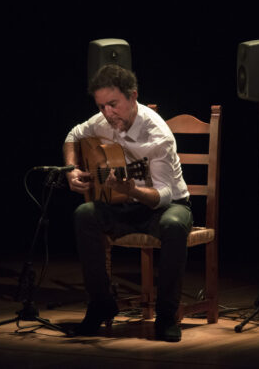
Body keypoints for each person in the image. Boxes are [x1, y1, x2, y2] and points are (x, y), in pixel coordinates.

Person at [63, 63, 192, 342]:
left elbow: (164, 196)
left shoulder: (158, 135)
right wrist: (72, 169)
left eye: (113, 104)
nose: (107, 114)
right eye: (101, 107)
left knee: (174, 224)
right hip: (125, 205)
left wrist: (131, 191)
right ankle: (100, 304)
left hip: (167, 205)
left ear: (133, 96)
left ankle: (167, 315)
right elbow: (73, 135)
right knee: (85, 214)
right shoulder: (102, 122)